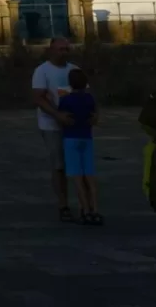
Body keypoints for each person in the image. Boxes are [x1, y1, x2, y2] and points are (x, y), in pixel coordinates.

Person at [28, 35, 77, 219]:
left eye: (66, 49)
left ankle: (85, 203)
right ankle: (63, 204)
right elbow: (38, 97)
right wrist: (57, 115)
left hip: (73, 125)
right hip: (51, 125)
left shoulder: (74, 70)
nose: (64, 53)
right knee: (59, 165)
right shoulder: (42, 71)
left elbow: (85, 93)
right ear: (51, 50)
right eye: (60, 49)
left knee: (76, 166)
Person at [57, 66, 101, 225]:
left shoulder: (66, 100)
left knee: (77, 177)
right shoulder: (89, 98)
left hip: (71, 138)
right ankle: (95, 209)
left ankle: (85, 209)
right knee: (89, 176)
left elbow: (61, 118)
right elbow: (95, 114)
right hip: (86, 138)